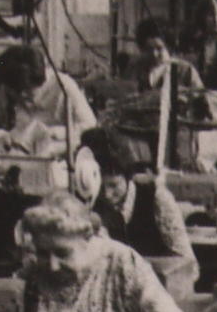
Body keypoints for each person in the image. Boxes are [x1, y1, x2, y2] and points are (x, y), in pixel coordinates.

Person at [16, 196, 192, 312]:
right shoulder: (33, 271)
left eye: (63, 254)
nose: (52, 266)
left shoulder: (120, 261)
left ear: (87, 241)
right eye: (43, 253)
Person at [80, 128, 198, 299]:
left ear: (128, 177)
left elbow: (188, 263)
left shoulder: (156, 198)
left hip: (161, 293)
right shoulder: (90, 204)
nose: (106, 194)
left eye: (114, 185)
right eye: (101, 187)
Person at [0, 40, 96, 158]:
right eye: (16, 92)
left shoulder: (64, 86)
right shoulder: (13, 87)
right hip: (22, 151)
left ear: (40, 81)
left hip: (57, 155)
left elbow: (90, 127)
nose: (22, 97)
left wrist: (55, 133)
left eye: (27, 91)